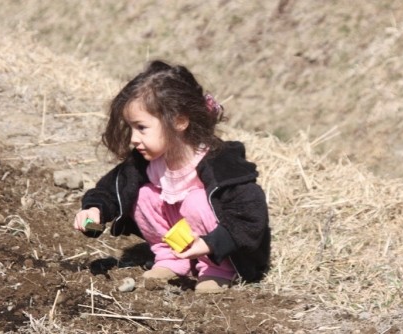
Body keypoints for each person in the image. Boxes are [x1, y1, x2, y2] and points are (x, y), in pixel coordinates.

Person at [73, 60, 270, 294]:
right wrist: (95, 209)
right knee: (144, 194)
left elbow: (251, 213)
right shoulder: (147, 161)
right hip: (182, 236)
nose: (133, 138)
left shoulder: (219, 161)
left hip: (221, 246)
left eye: (142, 128)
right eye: (131, 128)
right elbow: (111, 187)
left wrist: (210, 244)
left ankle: (219, 270)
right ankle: (171, 259)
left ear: (179, 121)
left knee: (197, 201)